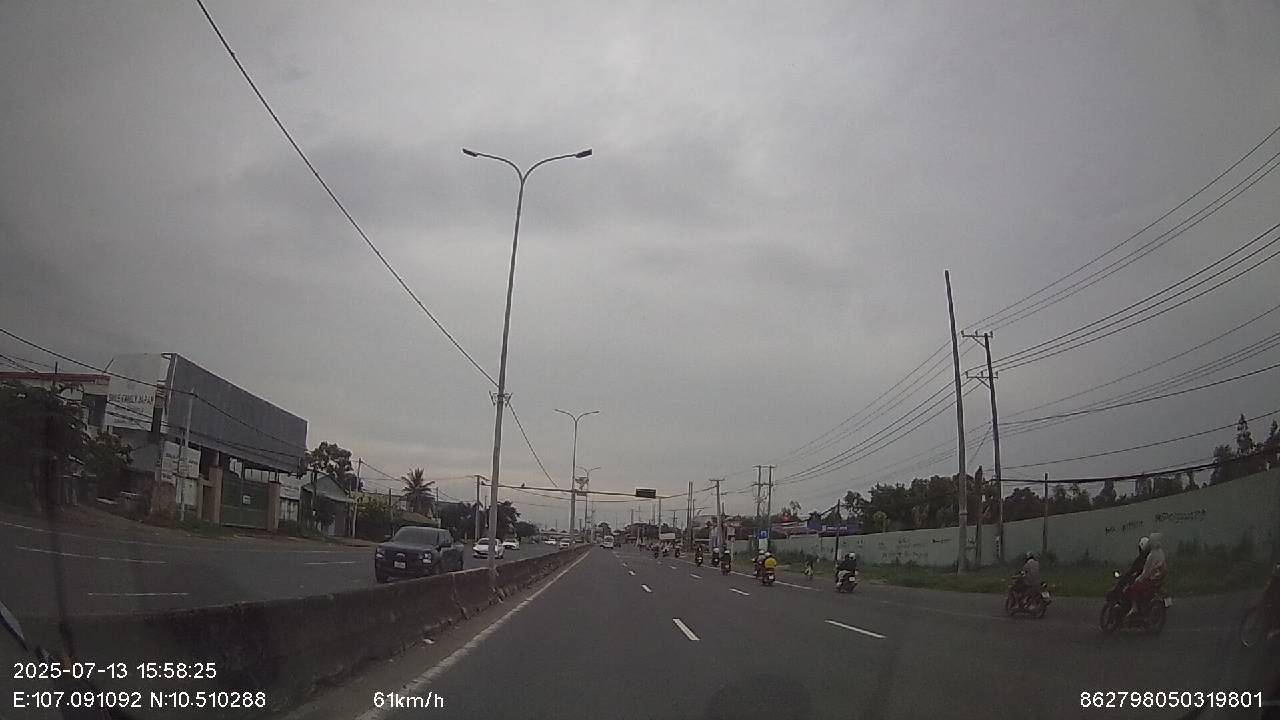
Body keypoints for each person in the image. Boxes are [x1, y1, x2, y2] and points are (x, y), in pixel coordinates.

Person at [1125, 532, 1167, 618]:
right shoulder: (1161, 553)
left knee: (1133, 588)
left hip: (1150, 580)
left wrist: (1139, 579)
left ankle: (1135, 607)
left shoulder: (1151, 556)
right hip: (1158, 579)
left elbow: (1146, 572)